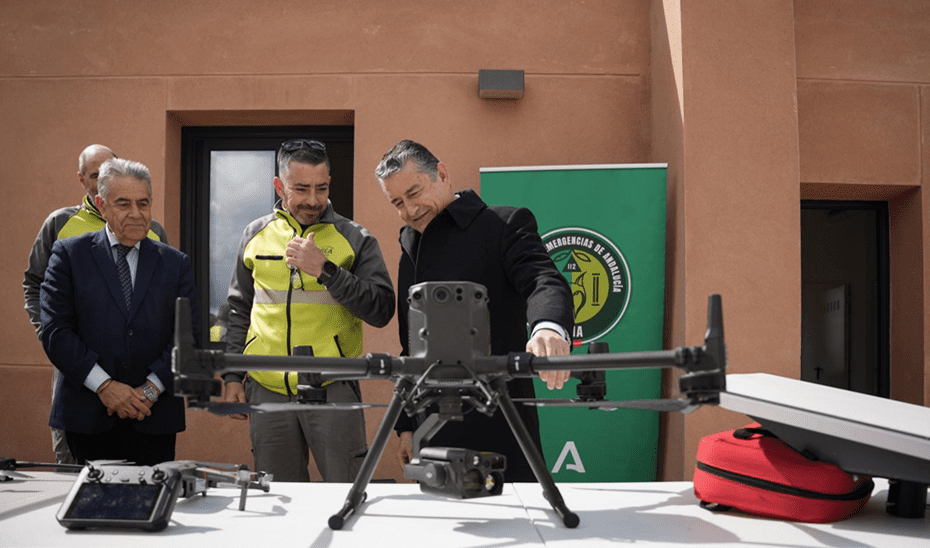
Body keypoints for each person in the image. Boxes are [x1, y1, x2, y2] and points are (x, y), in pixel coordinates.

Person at [375, 139, 574, 482]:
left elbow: (544, 280)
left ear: (442, 174)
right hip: (431, 426)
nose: (409, 209)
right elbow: (410, 346)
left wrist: (548, 328)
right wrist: (406, 427)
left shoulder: (503, 224)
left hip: (500, 418)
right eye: (397, 202)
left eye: (414, 192)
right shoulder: (409, 247)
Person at [223, 139, 395, 482]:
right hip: (267, 390)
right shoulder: (254, 235)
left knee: (346, 492)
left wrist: (327, 271)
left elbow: (381, 309)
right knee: (282, 503)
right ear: (279, 186)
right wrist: (231, 375)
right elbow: (239, 308)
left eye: (322, 188)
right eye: (301, 189)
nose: (313, 200)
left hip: (333, 388)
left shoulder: (355, 237)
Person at [40, 158, 199, 466]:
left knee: (151, 509)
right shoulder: (69, 255)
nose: (136, 214)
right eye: (123, 203)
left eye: (143, 203)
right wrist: (106, 386)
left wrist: (149, 391)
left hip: (153, 418)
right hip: (87, 418)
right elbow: (56, 332)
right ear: (101, 205)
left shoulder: (175, 263)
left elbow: (188, 335)